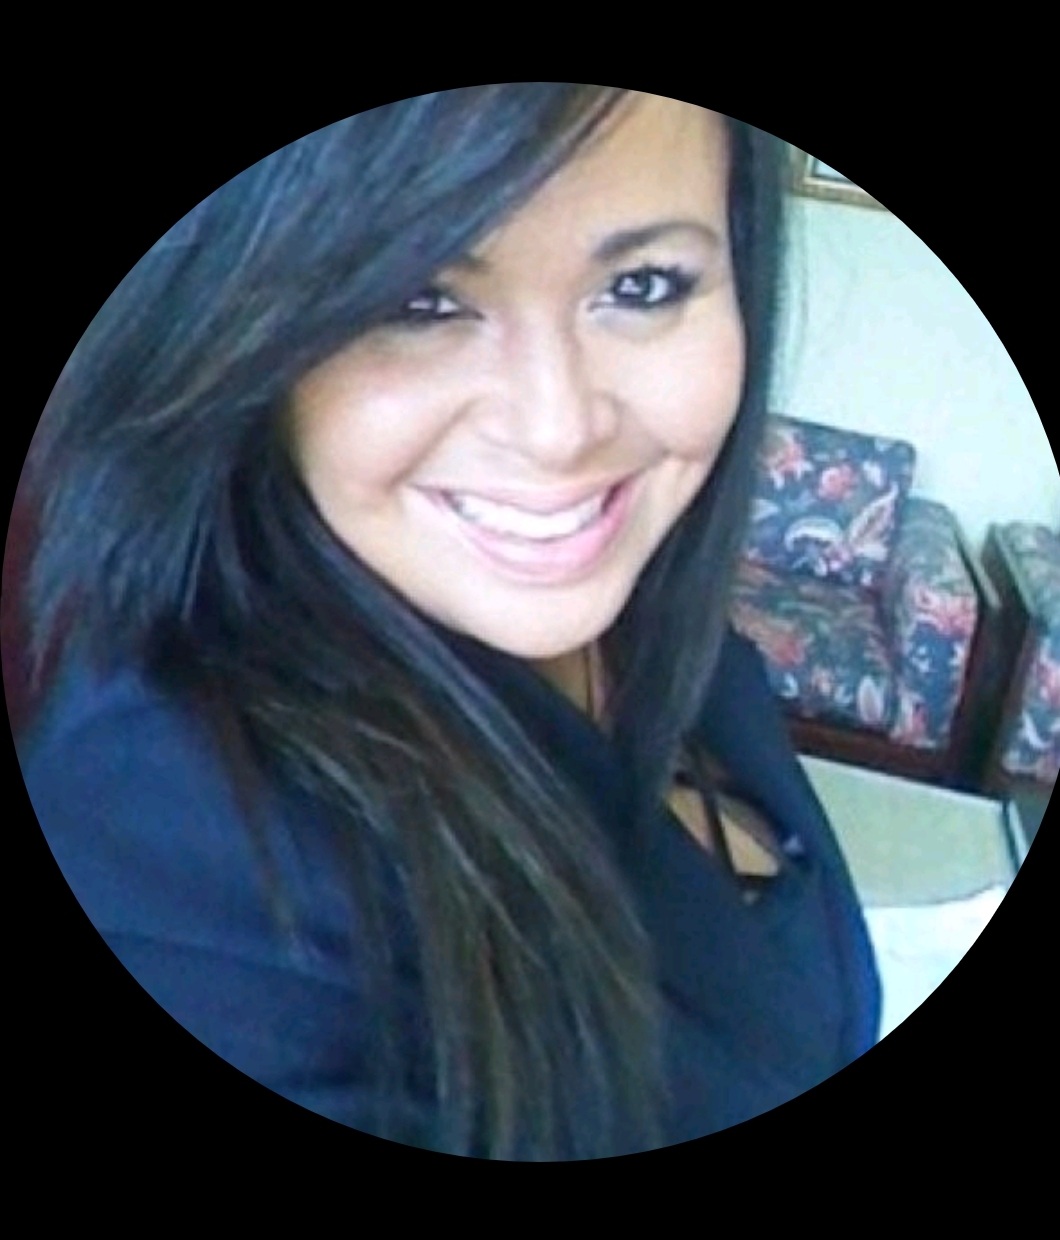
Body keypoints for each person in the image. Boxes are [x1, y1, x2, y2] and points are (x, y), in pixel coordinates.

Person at [11, 85, 880, 1160]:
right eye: (418, 304)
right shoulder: (173, 860)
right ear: (239, 333)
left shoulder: (666, 633)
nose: (558, 429)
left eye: (643, 285)